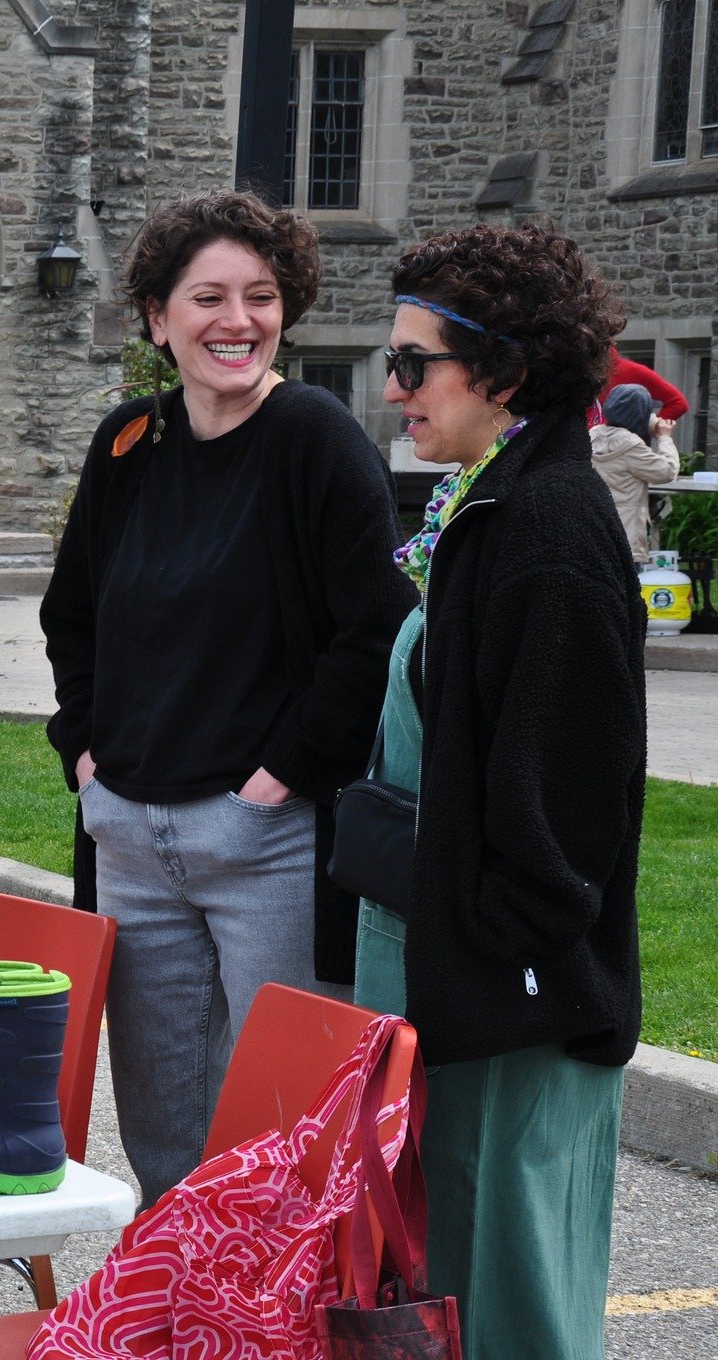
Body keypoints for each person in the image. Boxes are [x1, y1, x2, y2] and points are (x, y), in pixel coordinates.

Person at [40, 189, 416, 1207]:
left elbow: (375, 627)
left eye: (258, 296)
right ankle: (182, 1299)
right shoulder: (126, 444)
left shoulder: (315, 439)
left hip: (265, 841)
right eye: (205, 297)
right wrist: (82, 749)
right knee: (160, 1130)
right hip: (126, 835)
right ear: (157, 318)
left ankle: (273, 1315)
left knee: (285, 1119)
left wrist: (283, 773)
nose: (235, 321)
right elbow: (68, 616)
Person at [355, 224, 643, 1360]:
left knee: (514, 1314)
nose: (392, 386)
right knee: (457, 1300)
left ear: (505, 372)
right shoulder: (491, 502)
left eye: (414, 363)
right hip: (469, 995)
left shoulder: (547, 532)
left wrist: (497, 966)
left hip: (511, 1016)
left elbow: (566, 813)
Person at [589, 382, 680, 563]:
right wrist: (664, 438)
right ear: (640, 415)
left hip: (594, 532)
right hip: (625, 537)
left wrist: (651, 422)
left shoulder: (593, 435)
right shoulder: (631, 446)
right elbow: (667, 471)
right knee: (627, 590)